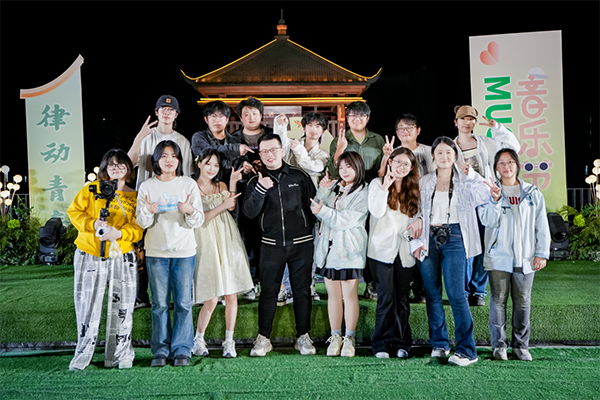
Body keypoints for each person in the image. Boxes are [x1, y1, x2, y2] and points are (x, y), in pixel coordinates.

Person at [413, 136, 489, 367]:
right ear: (433, 156)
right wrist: (414, 241)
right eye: (439, 153)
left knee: (457, 295)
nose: (444, 157)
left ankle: (467, 350)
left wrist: (471, 174)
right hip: (428, 238)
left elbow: (486, 194)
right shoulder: (425, 181)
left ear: (456, 155)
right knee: (433, 295)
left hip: (456, 237)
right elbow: (414, 212)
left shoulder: (466, 180)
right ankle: (440, 344)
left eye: (449, 152)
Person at [67, 149, 143, 370]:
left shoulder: (135, 196)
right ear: (104, 168)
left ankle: (120, 354)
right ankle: (83, 355)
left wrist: (119, 233)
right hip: (90, 253)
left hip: (122, 254)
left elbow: (139, 226)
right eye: (111, 165)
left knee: (124, 305)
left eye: (121, 165)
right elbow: (74, 212)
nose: (116, 168)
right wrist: (93, 224)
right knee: (87, 305)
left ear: (128, 168)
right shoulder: (91, 189)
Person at [242, 133, 317, 357]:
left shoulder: (299, 176)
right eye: (264, 151)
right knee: (268, 292)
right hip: (270, 245)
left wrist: (304, 228)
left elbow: (313, 205)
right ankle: (263, 338)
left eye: (273, 149)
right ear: (260, 154)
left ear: (282, 151)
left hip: (302, 244)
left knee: (302, 291)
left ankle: (303, 336)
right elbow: (249, 212)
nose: (269, 155)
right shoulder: (255, 181)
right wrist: (260, 189)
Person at [135, 140, 204, 367]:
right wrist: (148, 211)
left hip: (184, 251)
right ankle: (161, 350)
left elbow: (198, 220)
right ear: (156, 160)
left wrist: (189, 210)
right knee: (160, 304)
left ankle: (182, 349)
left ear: (179, 160)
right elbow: (141, 222)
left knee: (183, 303)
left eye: (173, 156)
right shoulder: (147, 186)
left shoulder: (188, 184)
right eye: (164, 156)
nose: (169, 160)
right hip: (156, 252)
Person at [478, 148, 550, 361]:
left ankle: (521, 346)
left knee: (523, 301)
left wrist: (541, 253)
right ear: (496, 168)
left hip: (526, 257)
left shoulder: (532, 193)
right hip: (498, 257)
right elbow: (488, 221)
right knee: (498, 301)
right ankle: (499, 346)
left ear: (517, 165)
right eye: (501, 163)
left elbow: (542, 225)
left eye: (510, 162)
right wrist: (495, 200)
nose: (506, 166)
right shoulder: (489, 191)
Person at [127, 95, 194, 309]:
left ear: (176, 114)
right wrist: (139, 137)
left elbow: (187, 173)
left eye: (171, 109)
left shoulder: (182, 141)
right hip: (147, 199)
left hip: (173, 203)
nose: (166, 112)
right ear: (156, 113)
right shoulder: (146, 137)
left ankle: (177, 297)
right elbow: (129, 163)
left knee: (172, 247)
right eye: (162, 109)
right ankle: (141, 296)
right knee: (142, 246)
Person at [452, 105, 520, 306]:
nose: (467, 122)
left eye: (471, 119)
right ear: (456, 122)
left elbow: (513, 148)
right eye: (463, 119)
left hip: (486, 198)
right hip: (462, 202)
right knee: (466, 247)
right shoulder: (450, 147)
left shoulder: (486, 143)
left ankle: (478, 290)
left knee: (485, 244)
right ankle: (464, 291)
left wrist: (497, 128)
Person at [192, 149, 253, 359]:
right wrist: (223, 206)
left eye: (216, 165)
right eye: (208, 163)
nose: (212, 168)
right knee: (211, 296)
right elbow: (200, 218)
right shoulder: (192, 186)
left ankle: (229, 341)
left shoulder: (221, 186)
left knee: (231, 294)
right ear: (199, 163)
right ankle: (198, 339)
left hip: (227, 237)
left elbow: (231, 205)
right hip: (205, 239)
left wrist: (233, 181)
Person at [311, 151, 369, 357]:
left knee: (349, 296)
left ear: (358, 168)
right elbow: (316, 209)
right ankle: (335, 336)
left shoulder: (364, 191)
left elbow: (345, 220)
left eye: (349, 167)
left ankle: (349, 338)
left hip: (349, 252)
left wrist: (323, 210)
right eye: (341, 167)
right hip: (328, 251)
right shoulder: (336, 188)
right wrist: (323, 190)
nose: (344, 171)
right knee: (333, 296)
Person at [326, 101, 384, 301]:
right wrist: (339, 150)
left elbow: (381, 170)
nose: (356, 119)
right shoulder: (340, 140)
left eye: (361, 115)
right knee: (350, 239)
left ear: (368, 118)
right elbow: (333, 172)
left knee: (372, 238)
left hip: (371, 196)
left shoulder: (377, 140)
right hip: (348, 198)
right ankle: (346, 279)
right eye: (352, 115)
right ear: (347, 118)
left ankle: (372, 282)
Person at [368, 147, 422, 359]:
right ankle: (381, 344)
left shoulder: (414, 189)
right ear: (390, 162)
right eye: (398, 161)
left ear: (411, 167)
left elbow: (411, 226)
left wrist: (412, 244)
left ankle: (402, 343)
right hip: (381, 252)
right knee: (386, 299)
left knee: (402, 300)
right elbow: (376, 212)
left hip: (404, 253)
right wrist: (385, 187)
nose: (401, 167)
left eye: (406, 164)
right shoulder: (376, 184)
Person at [273, 111, 331, 303]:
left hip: (310, 206)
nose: (314, 130)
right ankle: (285, 287)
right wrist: (280, 126)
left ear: (323, 130)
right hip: (288, 203)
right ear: (303, 127)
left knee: (309, 248)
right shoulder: (292, 144)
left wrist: (298, 149)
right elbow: (280, 149)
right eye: (310, 125)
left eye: (318, 126)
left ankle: (309, 286)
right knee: (286, 247)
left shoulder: (323, 154)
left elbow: (313, 167)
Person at [378, 113, 434, 303]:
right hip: (396, 208)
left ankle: (421, 288)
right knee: (404, 243)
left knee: (418, 244)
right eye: (401, 128)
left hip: (419, 207)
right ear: (396, 131)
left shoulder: (428, 151)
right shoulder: (393, 152)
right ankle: (401, 286)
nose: (405, 131)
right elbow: (381, 175)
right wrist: (386, 157)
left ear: (418, 130)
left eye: (410, 127)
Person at [233, 97, 274, 301]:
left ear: (261, 115)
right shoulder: (233, 139)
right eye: (246, 114)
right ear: (240, 118)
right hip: (244, 195)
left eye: (254, 113)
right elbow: (228, 164)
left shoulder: (271, 135)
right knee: (247, 238)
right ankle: (250, 282)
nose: (251, 117)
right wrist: (242, 167)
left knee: (268, 239)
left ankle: (269, 283)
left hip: (269, 193)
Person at [190, 100, 254, 183]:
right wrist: (235, 149)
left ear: (227, 119)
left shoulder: (236, 141)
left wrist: (244, 167)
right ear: (206, 119)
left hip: (230, 187)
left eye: (221, 116)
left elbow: (241, 169)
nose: (217, 120)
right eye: (213, 116)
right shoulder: (199, 137)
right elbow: (206, 152)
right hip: (205, 187)